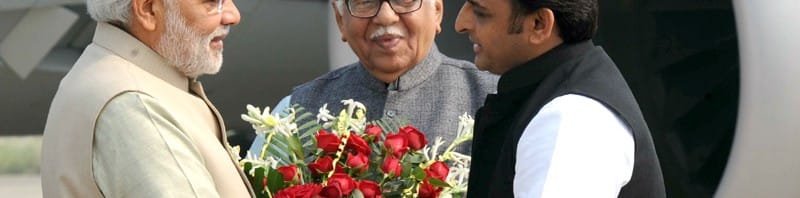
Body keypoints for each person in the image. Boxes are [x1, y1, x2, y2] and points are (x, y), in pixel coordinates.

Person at [40, 0, 252, 197]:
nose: (233, 15)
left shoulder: (103, 73)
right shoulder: (135, 106)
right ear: (148, 10)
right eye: (213, 2)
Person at [454, 0, 665, 197]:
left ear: (539, 25)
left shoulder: (572, 118)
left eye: (481, 13)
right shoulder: (562, 91)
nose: (460, 24)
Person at [249, 0, 497, 155]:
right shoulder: (294, 111)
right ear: (340, 22)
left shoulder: (493, 97)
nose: (386, 16)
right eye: (365, 2)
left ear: (437, 13)